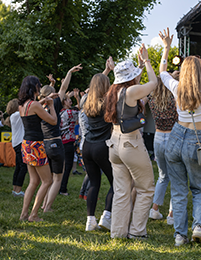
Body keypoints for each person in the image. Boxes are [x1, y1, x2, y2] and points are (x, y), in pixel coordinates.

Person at [159, 21, 201, 246]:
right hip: (197, 139)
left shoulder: (176, 87)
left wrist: (166, 48)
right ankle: (197, 227)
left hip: (175, 138)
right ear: (200, 70)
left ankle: (179, 236)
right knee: (199, 188)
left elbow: (163, 72)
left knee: (179, 189)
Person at [104, 44, 158, 239]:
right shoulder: (131, 92)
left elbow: (135, 82)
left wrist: (139, 65)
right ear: (130, 78)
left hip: (114, 143)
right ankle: (136, 232)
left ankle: (118, 233)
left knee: (121, 191)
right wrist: (147, 63)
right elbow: (153, 83)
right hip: (131, 144)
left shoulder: (113, 92)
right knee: (146, 188)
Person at [40, 64, 82, 211]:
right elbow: (63, 88)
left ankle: (43, 204)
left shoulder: (37, 107)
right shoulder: (54, 104)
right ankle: (47, 207)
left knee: (47, 179)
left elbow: (63, 90)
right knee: (57, 178)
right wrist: (70, 71)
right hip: (56, 144)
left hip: (43, 144)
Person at [18, 75, 57, 222]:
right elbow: (53, 121)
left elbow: (35, 109)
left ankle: (24, 214)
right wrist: (52, 106)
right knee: (47, 181)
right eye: (39, 85)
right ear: (34, 87)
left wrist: (42, 102)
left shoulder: (22, 105)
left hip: (26, 144)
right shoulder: (34, 105)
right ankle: (33, 214)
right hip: (36, 145)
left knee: (34, 181)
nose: (40, 88)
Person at [83, 57, 115, 231]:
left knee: (94, 183)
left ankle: (90, 221)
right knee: (116, 182)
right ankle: (106, 216)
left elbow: (96, 87)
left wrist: (106, 71)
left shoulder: (86, 102)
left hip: (87, 147)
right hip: (103, 147)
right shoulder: (108, 103)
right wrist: (111, 72)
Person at [147, 76, 178, 225]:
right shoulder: (174, 99)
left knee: (162, 176)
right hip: (172, 135)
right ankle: (171, 215)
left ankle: (155, 209)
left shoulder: (152, 100)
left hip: (158, 136)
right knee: (176, 177)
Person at [59, 89, 81, 195]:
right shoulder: (69, 113)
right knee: (68, 166)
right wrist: (77, 98)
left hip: (60, 141)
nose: (70, 102)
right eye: (68, 100)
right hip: (68, 142)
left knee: (60, 166)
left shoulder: (60, 111)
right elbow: (81, 110)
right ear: (64, 102)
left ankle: (56, 186)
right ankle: (63, 188)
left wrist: (67, 96)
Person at [5, 99, 27, 197]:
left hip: (16, 143)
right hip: (20, 143)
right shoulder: (16, 115)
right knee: (23, 167)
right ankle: (18, 191)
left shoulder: (13, 116)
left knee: (19, 167)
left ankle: (15, 189)